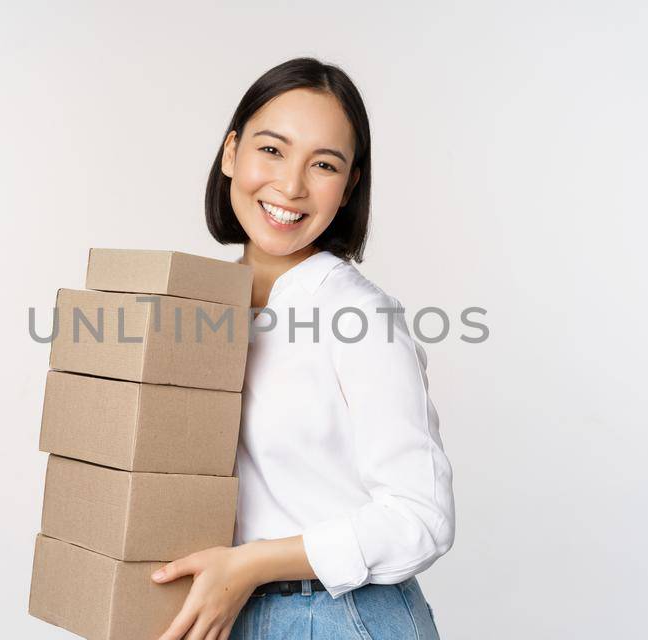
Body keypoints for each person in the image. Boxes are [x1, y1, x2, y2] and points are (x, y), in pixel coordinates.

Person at [149, 57, 455, 640]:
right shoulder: (199, 308)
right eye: (271, 150)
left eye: (323, 164)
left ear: (349, 187)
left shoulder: (359, 317)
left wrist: (251, 564)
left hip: (338, 617)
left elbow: (423, 518)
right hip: (225, 611)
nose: (290, 186)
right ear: (230, 152)